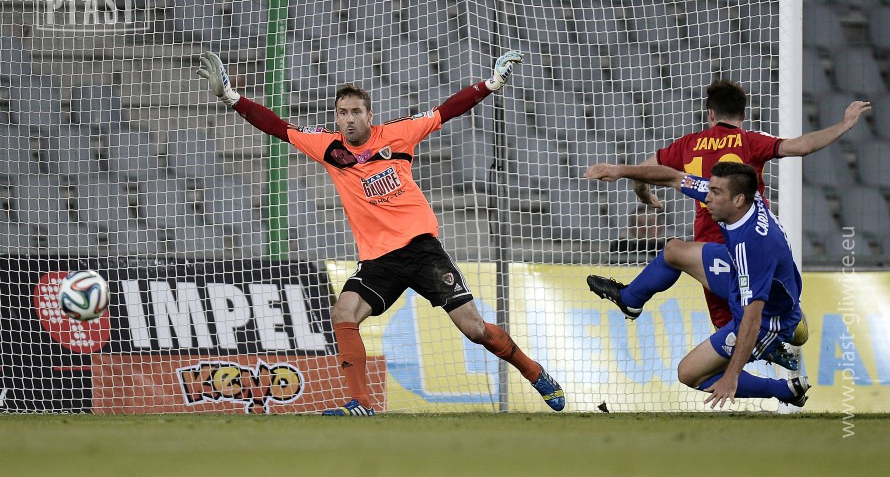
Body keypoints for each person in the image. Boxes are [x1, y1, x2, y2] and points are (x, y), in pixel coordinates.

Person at [197, 50, 565, 416]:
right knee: (343, 311)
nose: (349, 118)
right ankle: (361, 403)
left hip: (422, 250)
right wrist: (232, 97)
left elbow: (446, 111)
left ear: (369, 115)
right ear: (336, 117)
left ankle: (535, 373)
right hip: (378, 261)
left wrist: (490, 84)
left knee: (475, 330)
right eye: (343, 112)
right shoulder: (328, 147)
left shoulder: (398, 135)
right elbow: (277, 127)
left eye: (356, 111)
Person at [617, 79, 870, 329]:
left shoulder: (689, 143)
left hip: (707, 247)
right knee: (754, 321)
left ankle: (632, 299)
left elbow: (642, 171)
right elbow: (802, 146)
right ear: (744, 114)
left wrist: (644, 194)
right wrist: (844, 124)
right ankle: (781, 332)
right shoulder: (750, 140)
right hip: (750, 242)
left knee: (727, 332)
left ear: (711, 114)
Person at [586, 161, 810, 408]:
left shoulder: (752, 246)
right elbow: (674, 177)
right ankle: (630, 300)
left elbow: (752, 318)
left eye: (715, 193)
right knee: (674, 251)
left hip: (768, 318)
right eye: (709, 190)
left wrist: (731, 377)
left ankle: (784, 388)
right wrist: (620, 171)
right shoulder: (745, 201)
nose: (707, 198)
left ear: (737, 200)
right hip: (739, 270)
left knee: (689, 373)